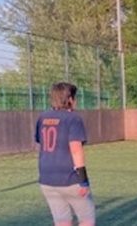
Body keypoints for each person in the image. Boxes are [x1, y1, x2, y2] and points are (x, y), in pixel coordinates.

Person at [35, 82, 95, 226]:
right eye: (75, 97)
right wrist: (83, 180)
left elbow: (39, 144)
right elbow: (76, 149)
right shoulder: (73, 118)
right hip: (70, 180)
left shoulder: (43, 117)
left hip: (47, 180)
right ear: (69, 99)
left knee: (62, 221)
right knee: (87, 219)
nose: (76, 101)